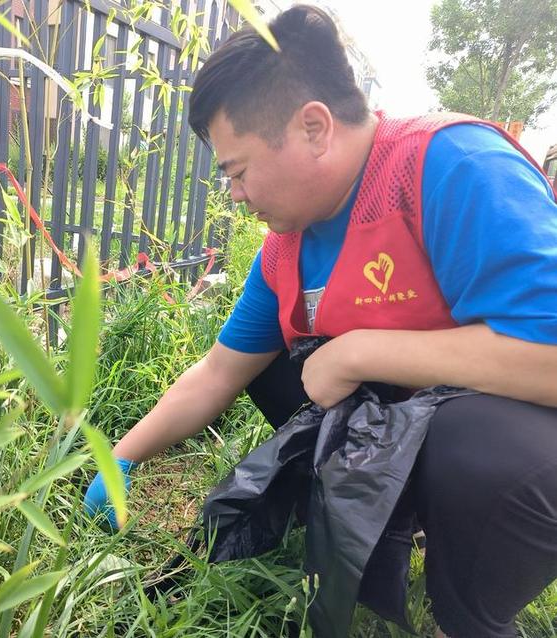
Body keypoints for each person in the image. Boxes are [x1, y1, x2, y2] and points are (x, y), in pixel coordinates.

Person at [84, 5, 557, 637]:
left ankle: (470, 612)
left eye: (238, 170)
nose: (234, 193)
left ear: (313, 127)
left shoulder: (450, 167)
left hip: (518, 444)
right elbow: (219, 371)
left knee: (473, 443)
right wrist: (121, 459)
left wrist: (362, 351)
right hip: (423, 427)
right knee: (283, 367)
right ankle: (392, 523)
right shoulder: (289, 246)